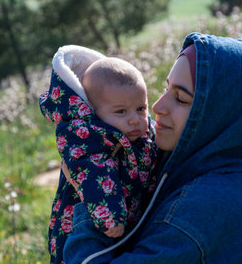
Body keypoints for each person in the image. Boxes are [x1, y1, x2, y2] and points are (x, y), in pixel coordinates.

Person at [63, 32, 242, 263]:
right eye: (165, 89)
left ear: (219, 116)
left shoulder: (204, 207)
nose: (157, 106)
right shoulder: (193, 170)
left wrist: (92, 200)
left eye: (180, 98)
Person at [39, 45, 158, 264]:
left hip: (126, 222)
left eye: (140, 108)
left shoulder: (138, 132)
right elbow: (93, 168)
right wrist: (109, 215)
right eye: (121, 111)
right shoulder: (86, 135)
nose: (134, 119)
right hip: (90, 220)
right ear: (92, 111)